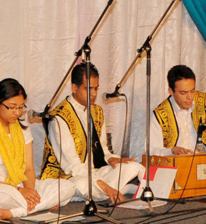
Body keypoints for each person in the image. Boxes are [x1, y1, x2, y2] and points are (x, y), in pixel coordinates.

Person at [0, 79, 75, 219]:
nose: (17, 112)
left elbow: (29, 168)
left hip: (21, 184)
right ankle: (39, 204)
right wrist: (19, 191)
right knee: (3, 197)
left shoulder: (22, 127)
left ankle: (15, 211)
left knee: (67, 187)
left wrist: (29, 191)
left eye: (21, 107)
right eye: (12, 107)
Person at [41, 62, 144, 202]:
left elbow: (103, 150)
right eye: (88, 88)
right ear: (74, 88)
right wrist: (105, 186)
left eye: (96, 88)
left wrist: (111, 158)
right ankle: (113, 191)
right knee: (82, 184)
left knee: (134, 167)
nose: (94, 93)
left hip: (94, 172)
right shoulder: (59, 118)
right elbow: (73, 167)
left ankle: (104, 193)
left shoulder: (97, 111)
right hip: (67, 176)